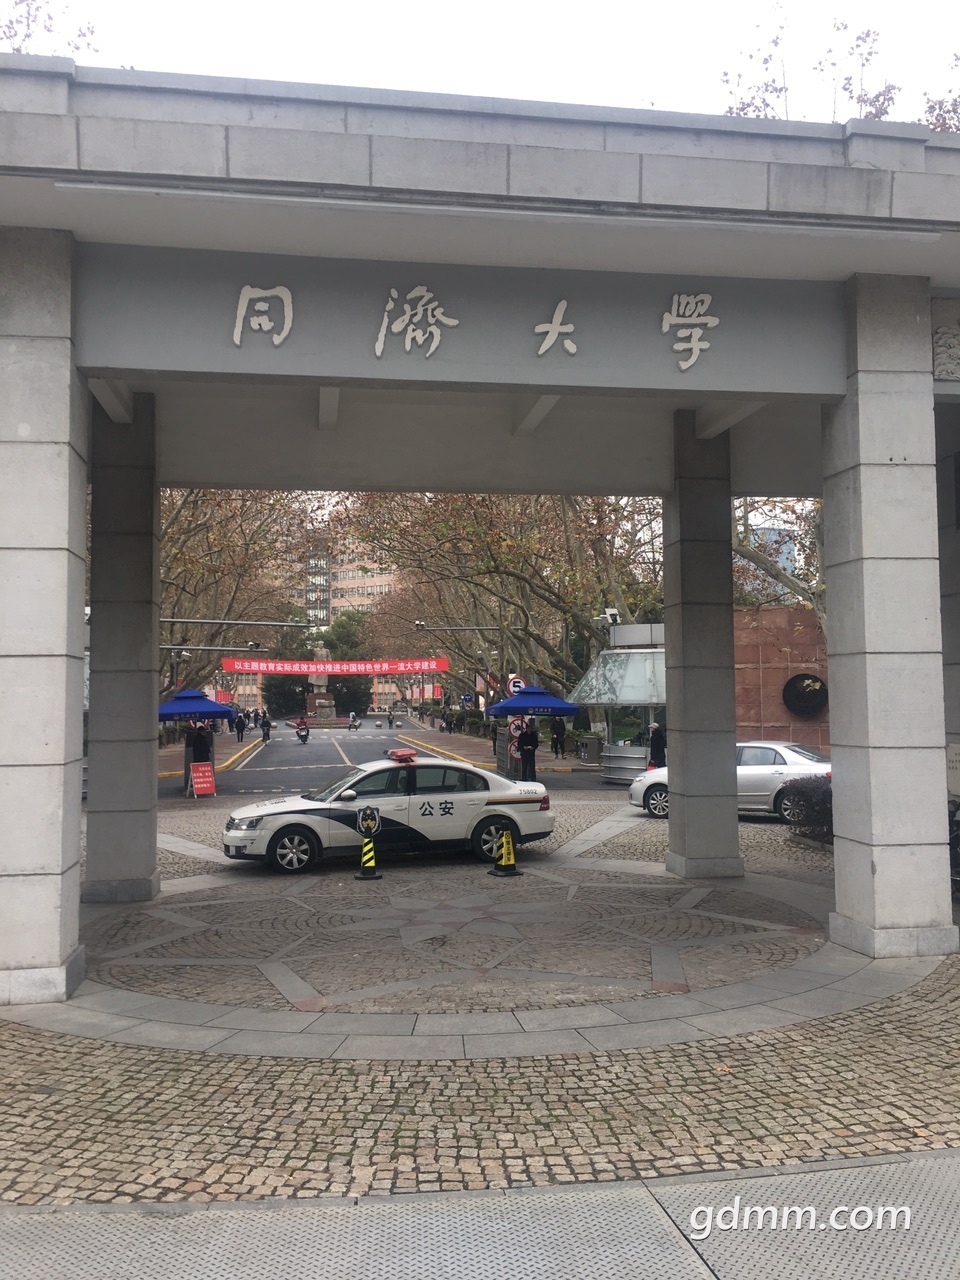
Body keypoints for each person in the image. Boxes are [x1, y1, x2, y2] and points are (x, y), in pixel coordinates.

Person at [517, 718, 539, 782]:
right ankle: (524, 778)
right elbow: (519, 744)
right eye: (528, 729)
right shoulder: (522, 735)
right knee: (524, 766)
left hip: (531, 753)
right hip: (524, 752)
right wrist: (523, 747)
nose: (530, 730)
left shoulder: (534, 736)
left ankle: (533, 778)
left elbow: (536, 744)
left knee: (532, 766)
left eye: (531, 729)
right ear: (526, 729)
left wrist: (533, 747)